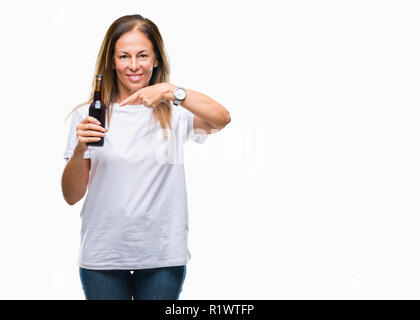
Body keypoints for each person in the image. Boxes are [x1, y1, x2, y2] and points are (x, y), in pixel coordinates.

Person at [61, 14, 231, 300]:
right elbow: (71, 195)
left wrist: (169, 91)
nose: (134, 65)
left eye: (143, 55)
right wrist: (80, 149)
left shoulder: (175, 112)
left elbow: (222, 118)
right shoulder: (90, 115)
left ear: (156, 60)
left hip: (162, 257)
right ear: (112, 62)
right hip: (103, 256)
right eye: (124, 56)